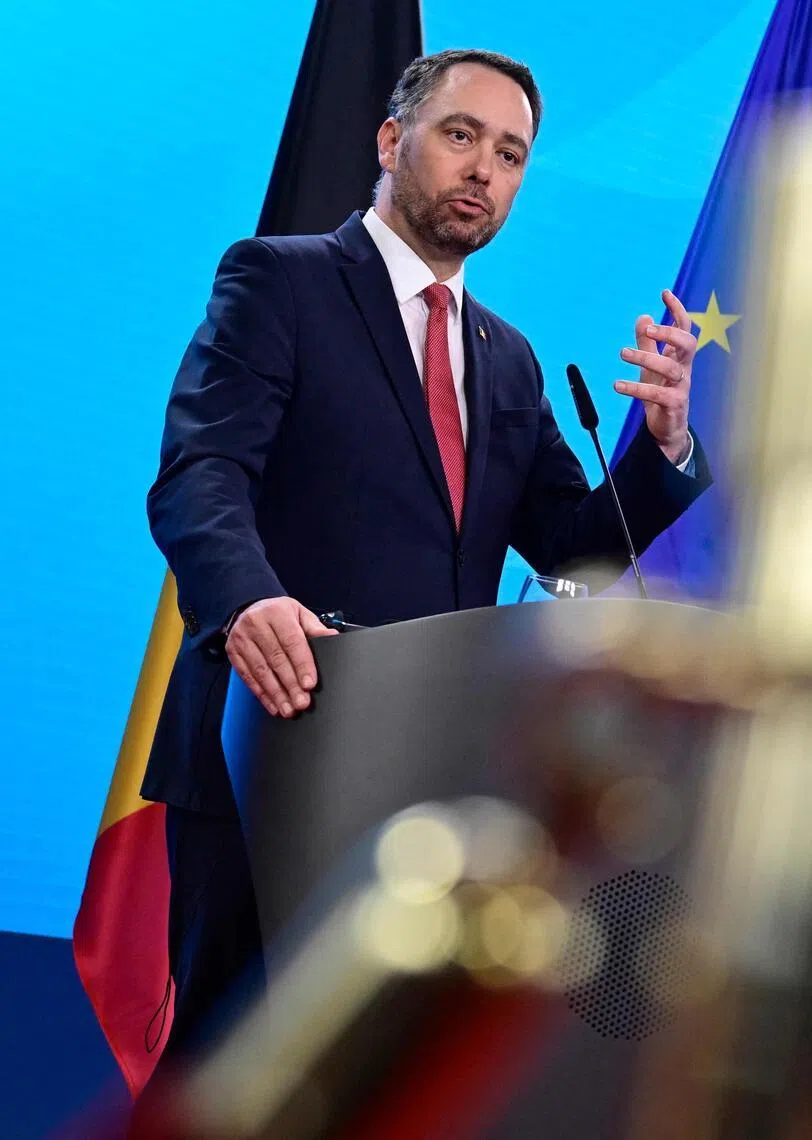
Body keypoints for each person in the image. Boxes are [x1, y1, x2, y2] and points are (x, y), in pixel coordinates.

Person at [141, 47, 712, 1064]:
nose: (484, 170)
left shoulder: (506, 355)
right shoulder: (280, 282)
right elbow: (201, 474)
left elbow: (574, 551)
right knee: (232, 1075)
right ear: (393, 139)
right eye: (461, 136)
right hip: (270, 741)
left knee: (381, 1087)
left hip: (424, 778)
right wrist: (249, 603)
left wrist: (665, 449)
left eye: (511, 154)